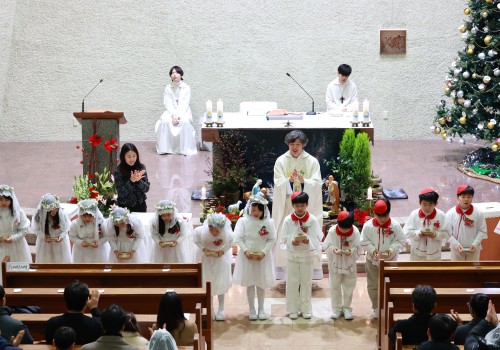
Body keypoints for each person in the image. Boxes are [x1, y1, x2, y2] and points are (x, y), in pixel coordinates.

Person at [272, 130, 323, 274]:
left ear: (303, 145)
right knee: (286, 231)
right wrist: (288, 180)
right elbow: (278, 183)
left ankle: (310, 267)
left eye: (298, 144)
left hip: (306, 205)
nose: (295, 147)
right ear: (288, 144)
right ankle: (284, 268)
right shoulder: (281, 160)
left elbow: (317, 183)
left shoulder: (311, 161)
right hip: (288, 205)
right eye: (292, 144)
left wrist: (303, 181)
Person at [233, 194, 276, 321]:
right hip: (248, 256)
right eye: (252, 210)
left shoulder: (268, 222)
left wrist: (264, 252)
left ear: (262, 210)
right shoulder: (243, 221)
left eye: (256, 210)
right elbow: (239, 238)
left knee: (261, 283)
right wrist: (245, 251)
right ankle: (252, 308)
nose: (254, 212)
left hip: (263, 256)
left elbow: (271, 239)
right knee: (250, 283)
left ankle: (261, 308)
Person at [361, 198, 406, 318]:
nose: (381, 219)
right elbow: (364, 241)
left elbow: (401, 240)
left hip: (389, 261)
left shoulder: (395, 226)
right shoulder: (368, 226)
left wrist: (391, 249)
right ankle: (376, 306)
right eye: (378, 216)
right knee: (373, 285)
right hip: (372, 261)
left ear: (389, 213)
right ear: (374, 214)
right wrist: (372, 250)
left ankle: (388, 305)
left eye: (384, 216)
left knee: (389, 284)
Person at [281, 192, 323, 320]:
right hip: (292, 256)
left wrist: (308, 241)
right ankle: (292, 309)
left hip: (306, 256)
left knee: (306, 282)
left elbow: (318, 238)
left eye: (302, 205)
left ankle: (306, 309)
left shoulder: (312, 220)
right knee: (292, 282)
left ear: (307, 205)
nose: (300, 208)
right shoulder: (288, 220)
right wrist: (291, 241)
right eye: (297, 205)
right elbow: (283, 239)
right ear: (293, 205)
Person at [193, 213, 234, 321]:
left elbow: (231, 242)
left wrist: (223, 251)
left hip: (220, 259)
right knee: (208, 281)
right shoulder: (200, 231)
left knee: (220, 281)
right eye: (212, 230)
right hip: (206, 259)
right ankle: (210, 307)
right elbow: (196, 239)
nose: (215, 233)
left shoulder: (228, 234)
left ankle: (221, 308)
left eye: (217, 231)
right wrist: (203, 249)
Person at [322, 211, 361, 320]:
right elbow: (327, 244)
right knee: (335, 285)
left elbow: (358, 246)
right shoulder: (333, 231)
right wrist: (334, 249)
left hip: (349, 261)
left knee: (349, 285)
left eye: (347, 228)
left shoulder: (355, 232)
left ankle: (347, 308)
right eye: (342, 228)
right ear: (338, 224)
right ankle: (337, 308)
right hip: (335, 261)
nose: (344, 231)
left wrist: (352, 250)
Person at [155, 65, 197, 156]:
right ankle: (166, 148)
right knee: (165, 121)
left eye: (177, 72)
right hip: (171, 111)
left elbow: (185, 103)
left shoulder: (186, 87)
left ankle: (184, 149)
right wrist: (173, 114)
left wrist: (178, 115)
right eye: (172, 73)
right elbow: (167, 102)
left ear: (181, 75)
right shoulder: (167, 87)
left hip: (183, 110)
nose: (174, 75)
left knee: (184, 121)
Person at [45, 281, 102, 345]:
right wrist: (94, 308)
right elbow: (103, 323)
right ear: (87, 301)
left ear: (65, 300)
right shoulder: (95, 324)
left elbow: (49, 343)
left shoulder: (52, 323)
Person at [404, 188, 449, 261]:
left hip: (434, 252)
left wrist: (435, 234)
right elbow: (407, 232)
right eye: (424, 204)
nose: (427, 208)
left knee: (433, 271)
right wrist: (418, 233)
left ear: (436, 203)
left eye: (430, 204)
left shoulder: (441, 215)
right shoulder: (414, 214)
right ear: (419, 203)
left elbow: (447, 232)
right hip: (417, 252)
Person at [446, 185, 487, 261]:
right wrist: (457, 245)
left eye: (469, 197)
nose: (466, 199)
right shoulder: (450, 213)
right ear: (457, 197)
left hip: (474, 249)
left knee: (472, 270)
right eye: (463, 197)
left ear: (472, 198)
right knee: (457, 270)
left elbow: (482, 230)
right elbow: (447, 232)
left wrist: (475, 244)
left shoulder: (478, 213)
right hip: (456, 249)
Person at [31, 193, 72, 263]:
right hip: (45, 245)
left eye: (55, 209)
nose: (53, 212)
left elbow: (67, 227)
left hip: (60, 244)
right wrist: (43, 236)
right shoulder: (40, 217)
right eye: (50, 210)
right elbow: (36, 229)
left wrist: (62, 236)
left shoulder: (63, 213)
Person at [114, 143, 150, 213]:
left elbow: (146, 189)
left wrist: (139, 181)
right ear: (123, 157)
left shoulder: (141, 168)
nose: (132, 159)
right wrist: (131, 181)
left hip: (140, 206)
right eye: (129, 157)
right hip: (124, 208)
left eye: (134, 156)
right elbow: (121, 193)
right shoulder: (118, 171)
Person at [0, 184, 32, 263]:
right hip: (1, 245)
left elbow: (25, 229)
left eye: (7, 200)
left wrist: (14, 237)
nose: (4, 203)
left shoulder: (18, 212)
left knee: (17, 267)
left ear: (11, 200)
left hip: (16, 246)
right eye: (1, 200)